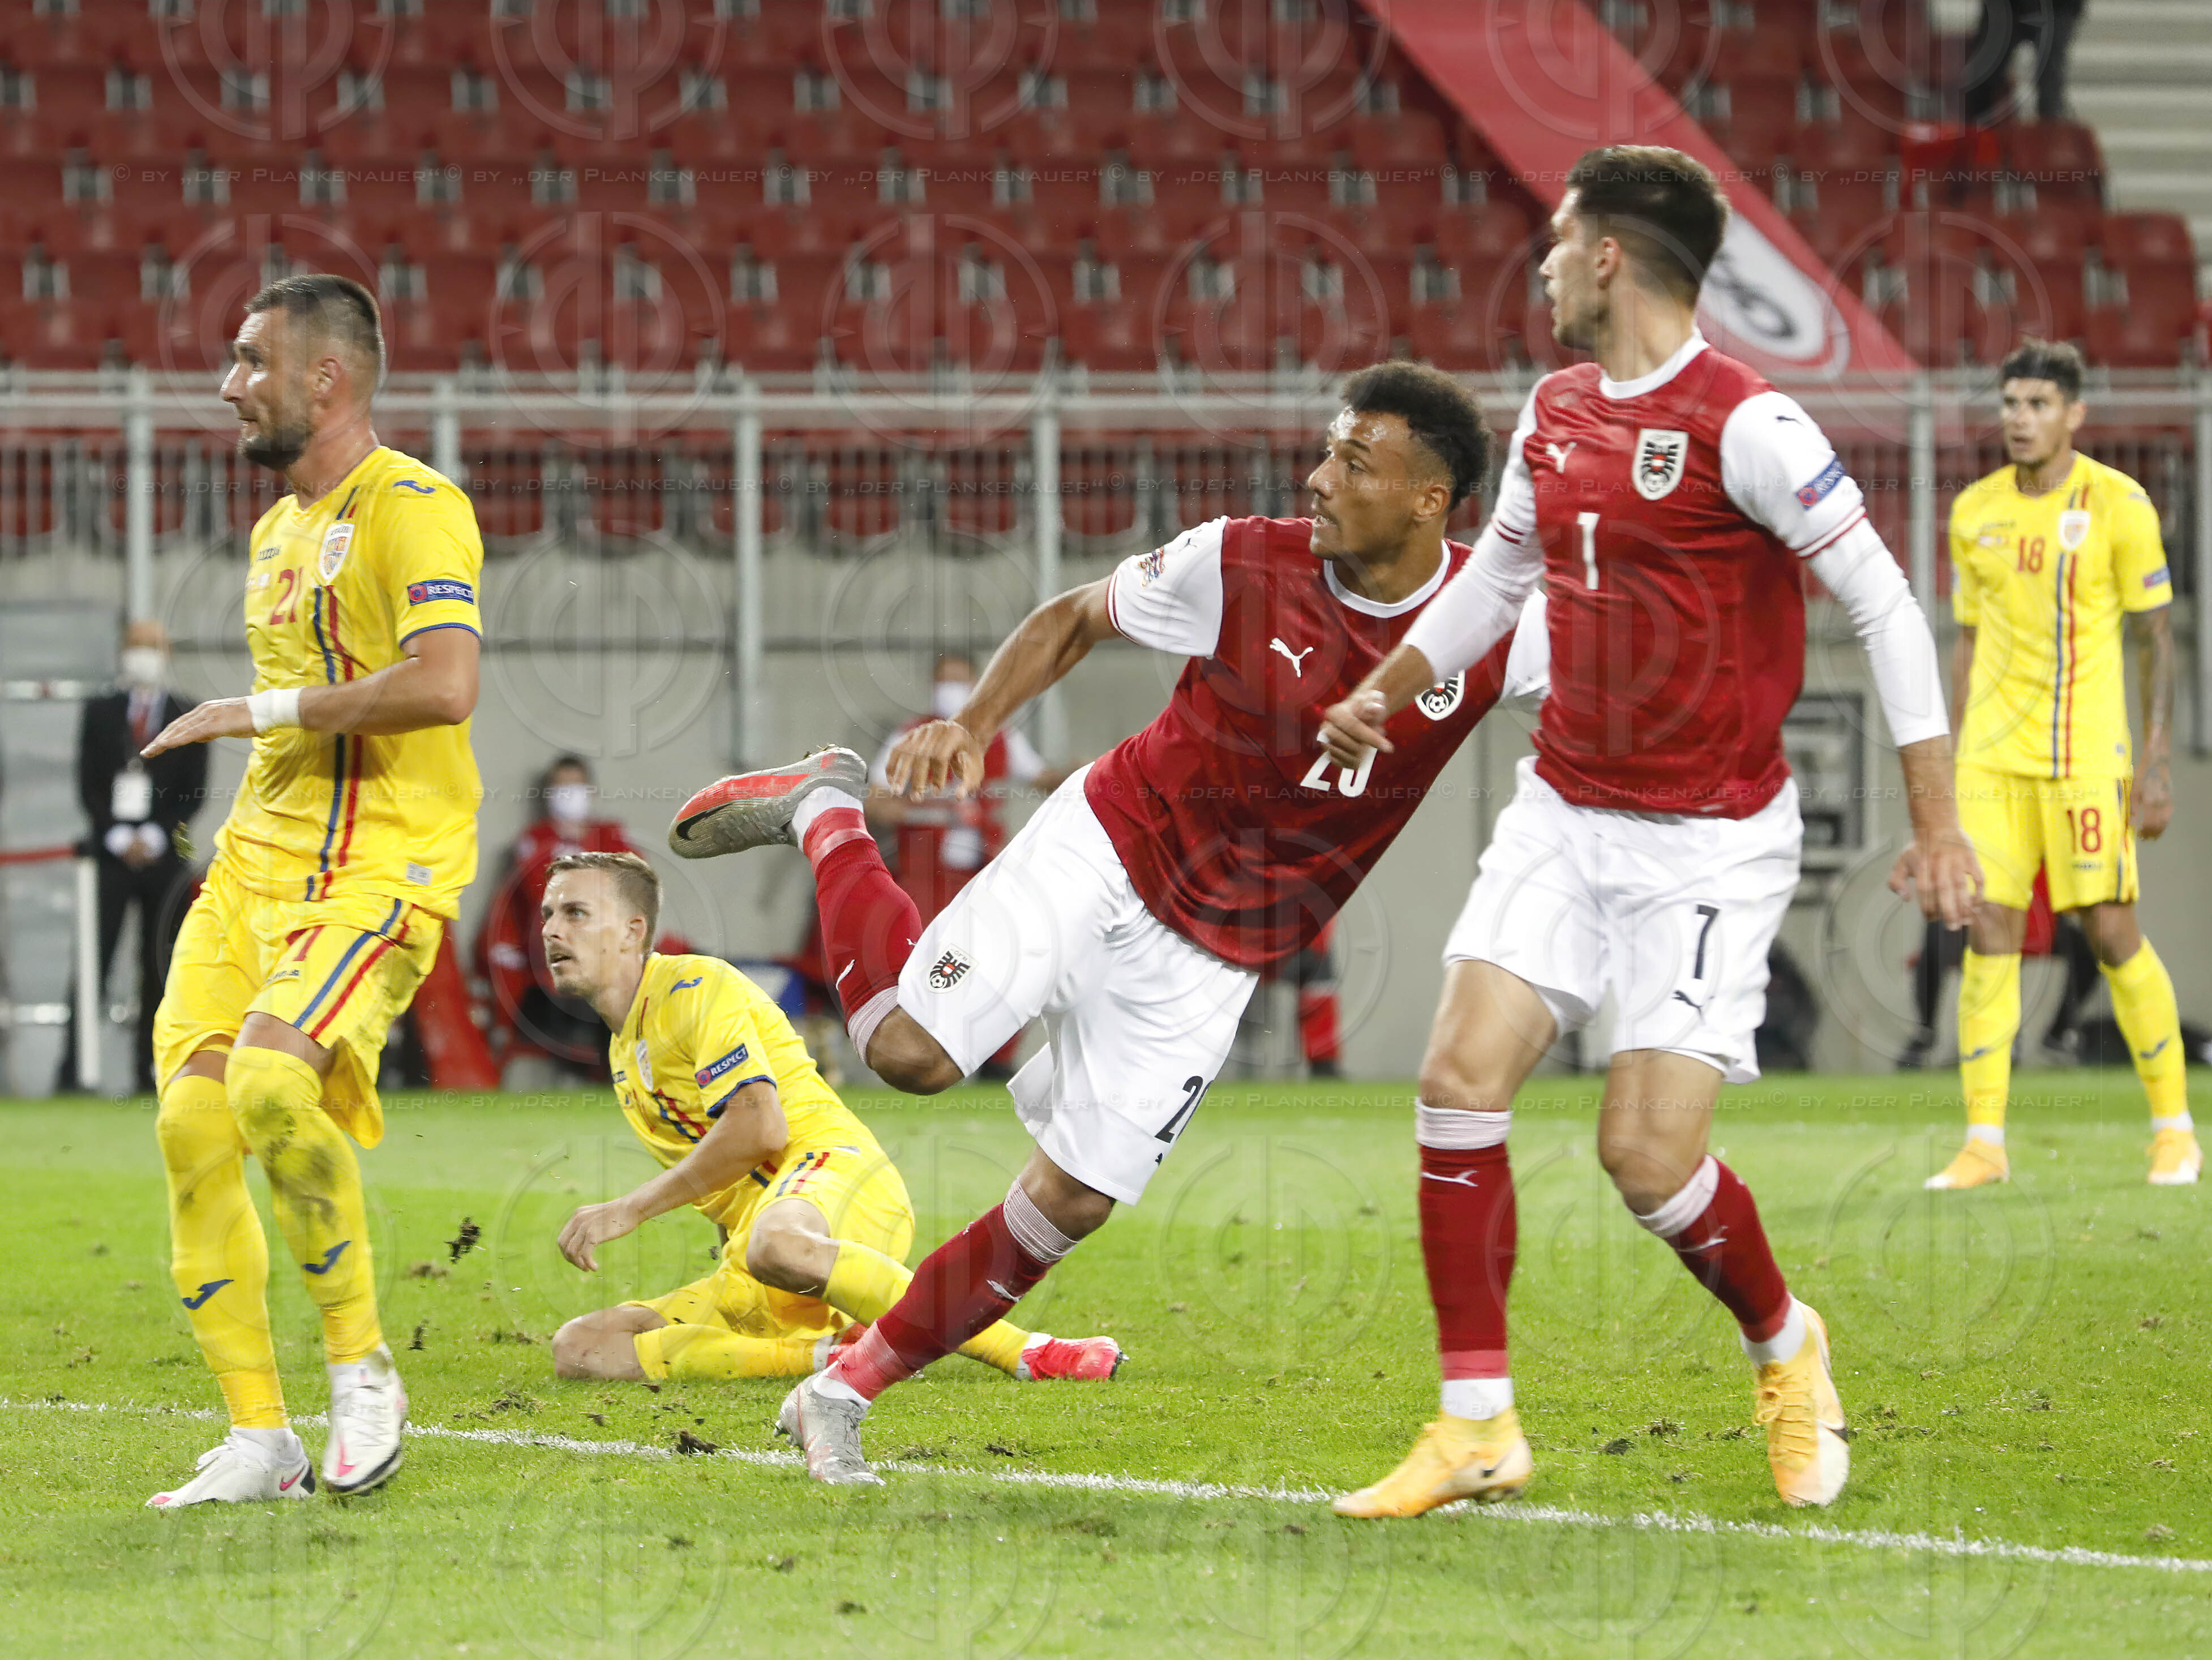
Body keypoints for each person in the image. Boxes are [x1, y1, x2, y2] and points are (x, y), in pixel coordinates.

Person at [669, 359, 1549, 1485]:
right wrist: (979, 722)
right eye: (1327, 450)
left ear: (1430, 498)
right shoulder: (1239, 558)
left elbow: (1617, 697)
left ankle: (839, 1389)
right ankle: (828, 809)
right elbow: (1073, 615)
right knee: (909, 1053)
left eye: (1353, 461)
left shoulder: (1494, 625)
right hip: (1110, 844)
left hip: (1219, 950)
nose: (1318, 477)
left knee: (1072, 1197)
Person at [1312, 145, 1978, 1517]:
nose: (1544, 265)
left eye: (1558, 241)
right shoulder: (1552, 411)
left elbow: (1886, 606)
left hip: (1708, 843)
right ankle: (1476, 1424)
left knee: (1645, 1160)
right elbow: (1492, 583)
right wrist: (1380, 693)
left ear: (1607, 255)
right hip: (1564, 810)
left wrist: (1938, 823)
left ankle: (1785, 1343)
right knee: (1455, 1080)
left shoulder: (1753, 426)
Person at [140, 273, 485, 1507]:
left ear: (324, 378)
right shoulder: (275, 530)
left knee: (275, 1083)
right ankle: (259, 1436)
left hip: (379, 860)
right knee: (190, 1121)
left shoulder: (415, 507)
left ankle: (362, 1371)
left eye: (249, 362)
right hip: (254, 864)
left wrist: (255, 708)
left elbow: (446, 685)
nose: (231, 385)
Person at [536, 851, 1120, 1388]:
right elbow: (722, 1180)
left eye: (575, 912)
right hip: (762, 1246)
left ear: (634, 930)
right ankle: (830, 1355)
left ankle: (1033, 1351)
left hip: (835, 1175)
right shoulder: (623, 1051)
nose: (551, 929)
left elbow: (761, 1130)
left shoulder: (693, 987)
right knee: (580, 1346)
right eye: (548, 914)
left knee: (778, 1242)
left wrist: (627, 1208)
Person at [1924, 337, 2195, 1189]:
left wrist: (2154, 763)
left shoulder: (2120, 503)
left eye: (2038, 404)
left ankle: (2174, 1131)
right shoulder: (1974, 511)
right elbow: (1967, 644)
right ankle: (1983, 1144)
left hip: (2086, 758)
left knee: (2112, 933)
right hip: (1992, 764)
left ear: (2075, 414)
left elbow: (2157, 639)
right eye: (2010, 404)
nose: (2020, 418)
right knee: (1990, 936)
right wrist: (1948, 762)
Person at [867, 654, 1066, 1079]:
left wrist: (1095, 773)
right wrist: (930, 813)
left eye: (960, 681)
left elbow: (1043, 777)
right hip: (925, 874)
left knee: (1002, 957)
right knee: (919, 962)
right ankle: (916, 1057)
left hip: (984, 871)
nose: (951, 690)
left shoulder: (1000, 735)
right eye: (944, 681)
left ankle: (995, 1059)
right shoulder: (912, 735)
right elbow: (875, 800)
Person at [59, 619, 205, 1095]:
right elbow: (88, 783)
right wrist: (118, 836)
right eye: (135, 646)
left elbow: (193, 794)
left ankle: (155, 1070)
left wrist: (159, 836)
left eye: (152, 647)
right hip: (110, 855)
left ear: (167, 653)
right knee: (93, 957)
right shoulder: (101, 710)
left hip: (164, 858)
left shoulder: (188, 711)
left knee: (160, 963)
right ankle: (74, 1069)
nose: (143, 655)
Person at [475, 754, 659, 1080]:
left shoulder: (610, 837)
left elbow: (637, 889)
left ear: (591, 790)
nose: (569, 795)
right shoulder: (534, 841)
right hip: (550, 975)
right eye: (562, 787)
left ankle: (634, 1077)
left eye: (576, 786)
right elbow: (546, 895)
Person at [1964, 0, 2086, 126]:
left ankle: (2051, 132)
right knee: (1983, 76)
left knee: (2050, 84)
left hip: (2057, 7)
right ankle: (1977, 134)